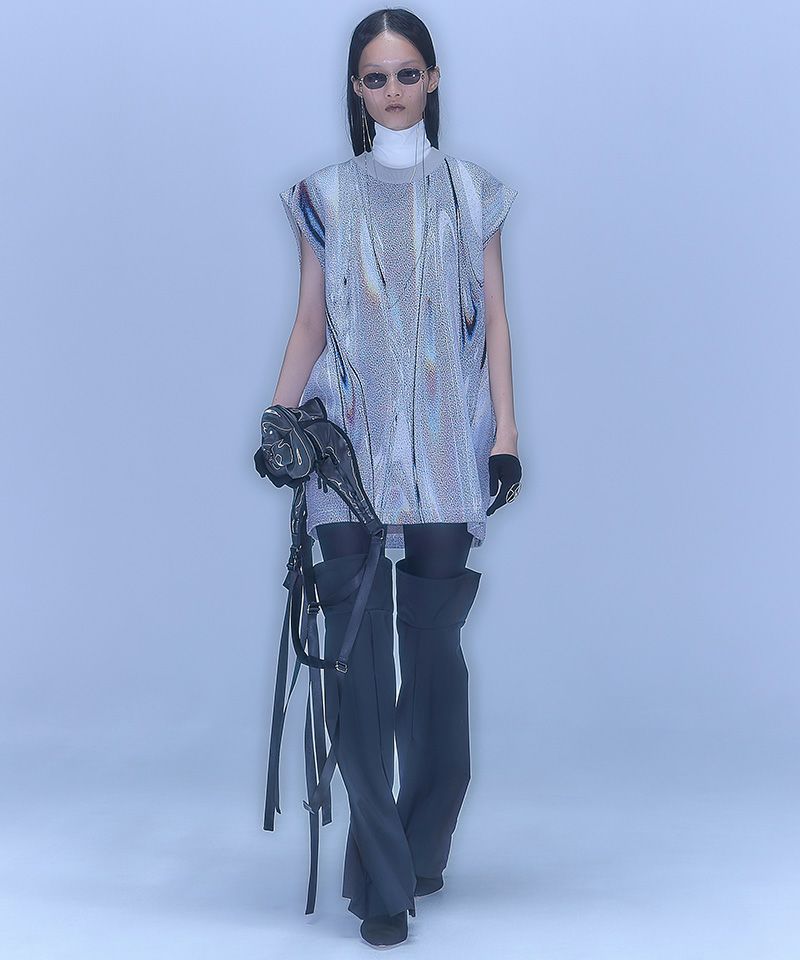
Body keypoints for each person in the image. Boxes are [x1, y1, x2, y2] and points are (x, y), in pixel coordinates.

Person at [269, 8, 523, 947]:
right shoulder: (324, 196)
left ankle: (423, 842)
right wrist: (278, 416)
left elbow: (495, 319)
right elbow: (309, 321)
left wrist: (507, 435)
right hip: (347, 449)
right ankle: (381, 881)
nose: (392, 91)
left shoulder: (472, 191)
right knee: (357, 664)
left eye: (407, 73)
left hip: (450, 446)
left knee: (436, 658)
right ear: (356, 88)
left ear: (433, 79)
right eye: (374, 77)